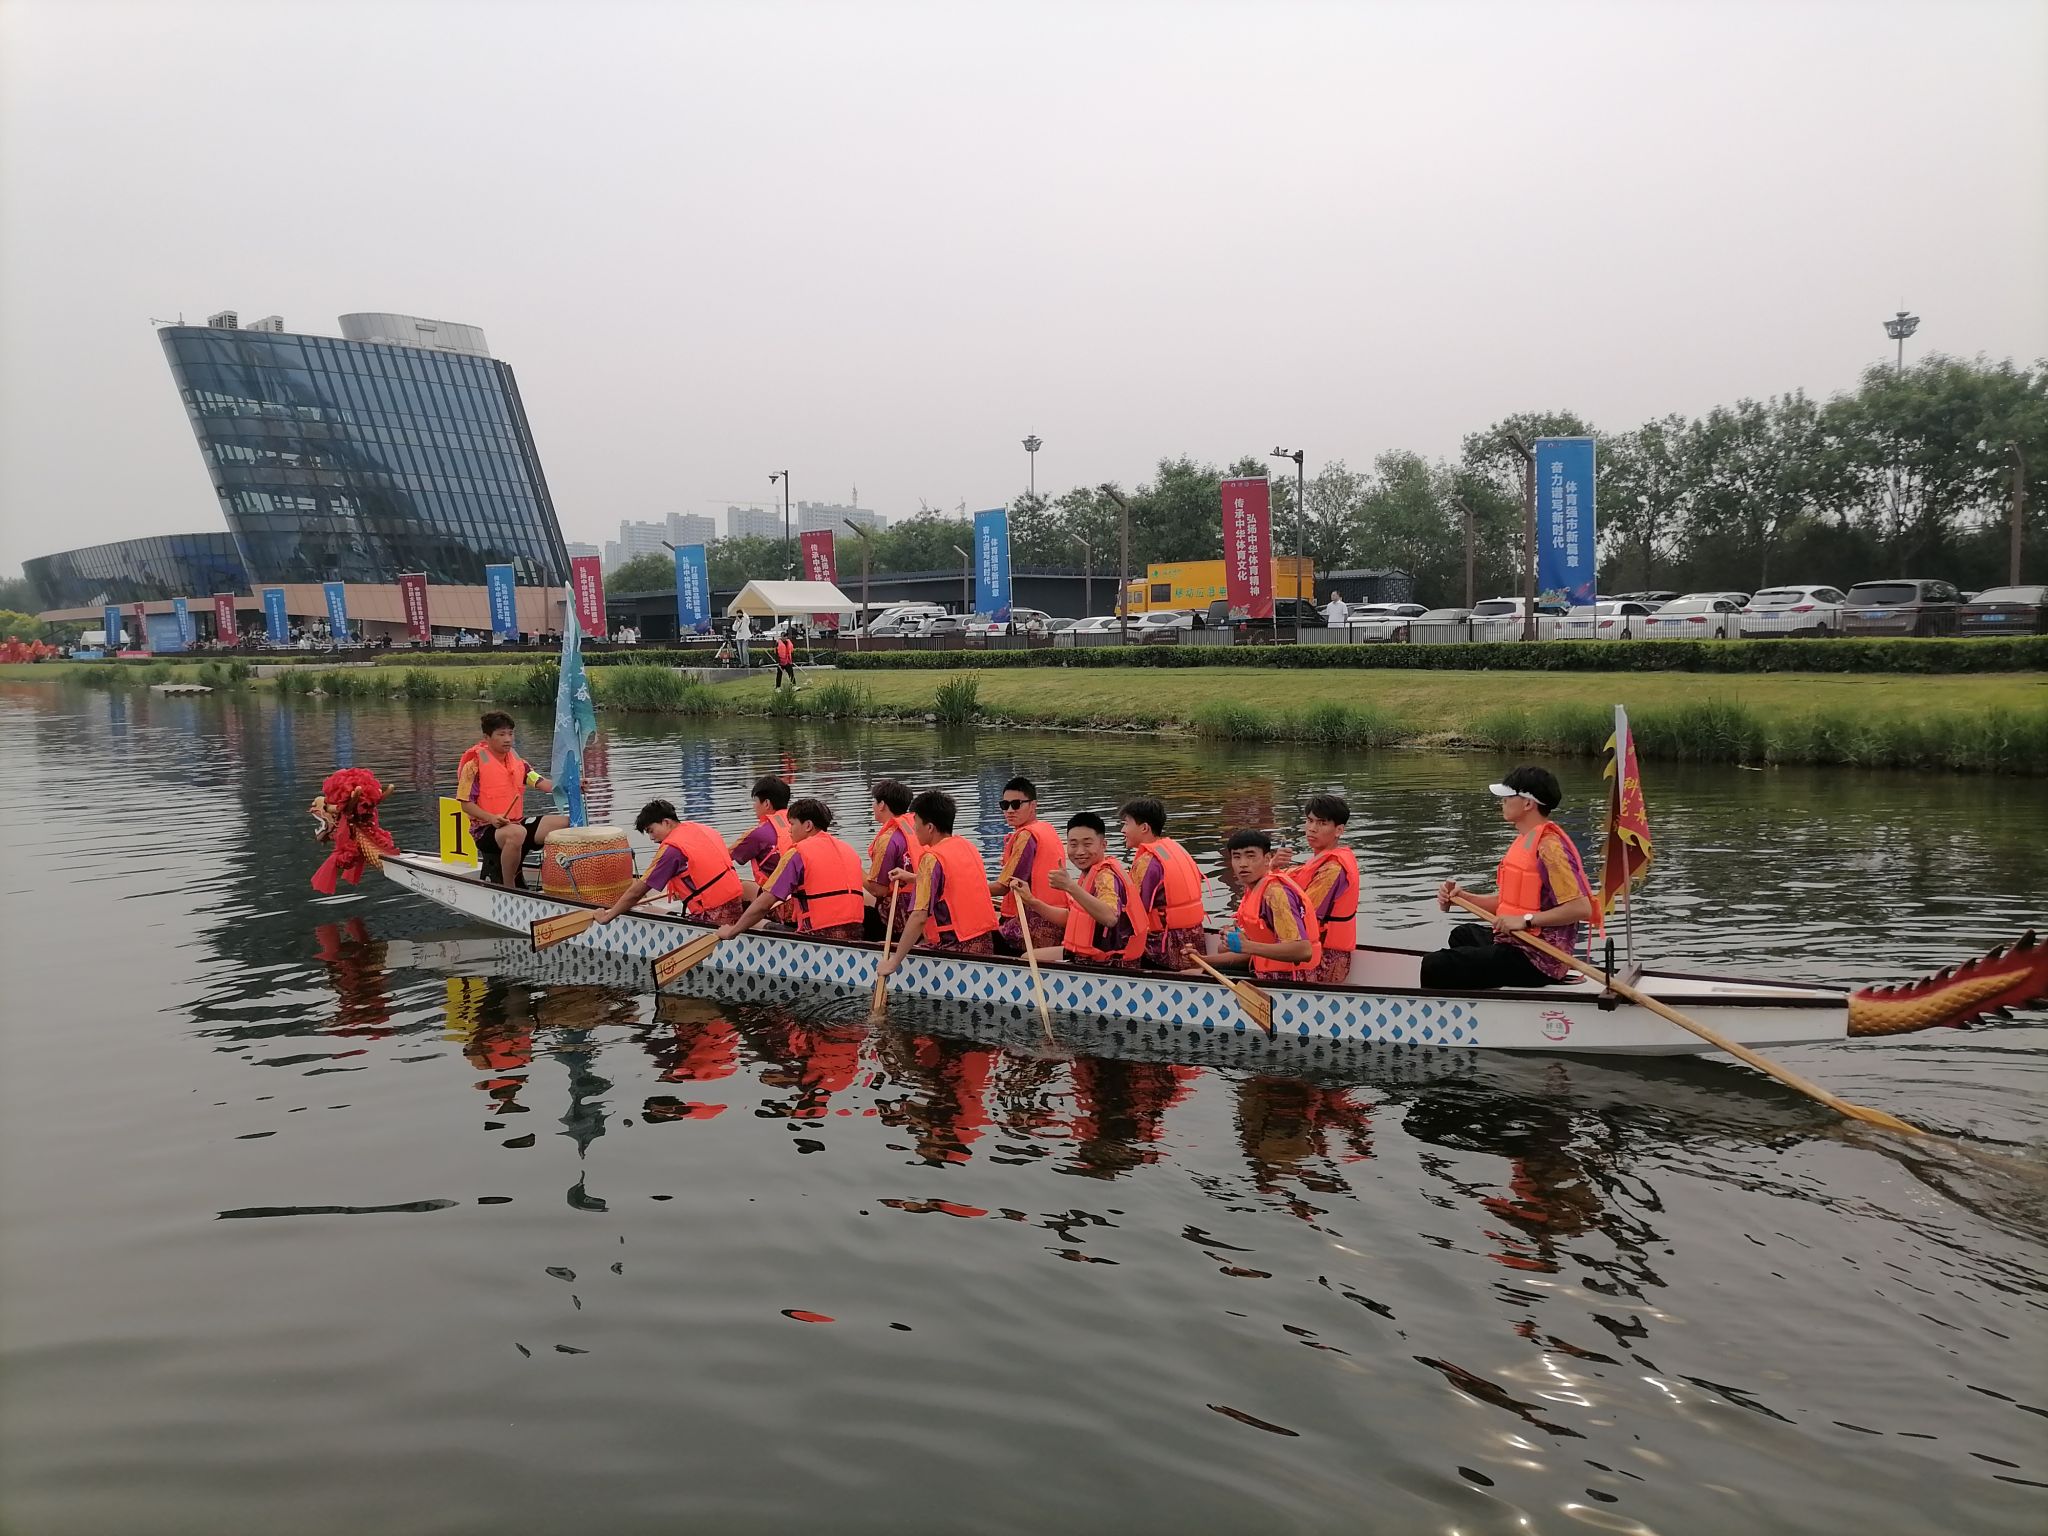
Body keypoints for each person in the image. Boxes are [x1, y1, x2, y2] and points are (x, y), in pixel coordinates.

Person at [1421, 766, 1595, 990]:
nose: (1502, 802)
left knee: (1434, 965)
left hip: (1538, 958)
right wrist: (1462, 898)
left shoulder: (1550, 850)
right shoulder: (1526, 839)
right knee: (1462, 935)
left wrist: (1525, 920)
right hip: (1517, 942)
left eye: (1507, 797)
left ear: (1528, 804)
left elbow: (1581, 909)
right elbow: (1508, 903)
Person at [877, 790, 999, 975]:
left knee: (883, 945)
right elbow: (951, 882)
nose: (914, 829)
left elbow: (919, 917)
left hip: (954, 947)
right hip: (984, 943)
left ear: (930, 827)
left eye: (916, 823)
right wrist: (913, 878)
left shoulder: (931, 858)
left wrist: (893, 962)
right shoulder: (967, 846)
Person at [718, 798, 867, 943]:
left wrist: (732, 931)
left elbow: (764, 904)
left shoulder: (799, 853)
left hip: (817, 936)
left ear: (808, 825)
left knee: (756, 922)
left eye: (792, 824)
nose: (789, 830)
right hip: (855, 934)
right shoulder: (849, 851)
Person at [456, 711, 568, 889]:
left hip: (516, 823)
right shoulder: (473, 766)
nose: (508, 739)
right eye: (501, 734)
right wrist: (492, 818)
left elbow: (542, 783)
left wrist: (571, 786)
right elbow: (466, 805)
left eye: (510, 733)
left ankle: (559, 876)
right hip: (486, 829)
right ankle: (509, 887)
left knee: (565, 823)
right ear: (487, 737)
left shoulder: (519, 762)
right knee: (517, 833)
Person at [1020, 812, 1147, 969]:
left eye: (1087, 844)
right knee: (1026, 957)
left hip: (1109, 962)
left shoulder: (1105, 876)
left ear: (1103, 845)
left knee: (1026, 961)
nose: (1080, 852)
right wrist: (1032, 901)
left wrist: (1069, 886)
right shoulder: (1089, 872)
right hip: (1087, 954)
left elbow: (1110, 917)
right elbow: (1070, 917)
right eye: (1073, 845)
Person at [593, 799, 746, 927]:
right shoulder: (701, 828)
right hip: (735, 901)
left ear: (666, 822)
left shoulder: (672, 849)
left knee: (649, 910)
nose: (651, 838)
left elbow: (636, 892)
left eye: (651, 830)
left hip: (713, 914)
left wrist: (608, 916)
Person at [1201, 830, 1322, 980]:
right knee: (1215, 955)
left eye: (1250, 856)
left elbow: (1303, 951)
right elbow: (1256, 950)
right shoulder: (1254, 888)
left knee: (1194, 974)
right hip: (1265, 972)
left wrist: (1247, 945)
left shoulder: (1275, 894)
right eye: (1236, 857)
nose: (1243, 864)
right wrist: (1203, 960)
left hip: (1292, 979)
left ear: (1267, 859)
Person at [1121, 798, 1207, 972]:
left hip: (1165, 946)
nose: (1123, 830)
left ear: (1144, 828)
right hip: (1195, 939)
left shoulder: (1147, 861)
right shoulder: (1176, 848)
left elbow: (1133, 911)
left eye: (1126, 824)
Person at [990, 777, 1070, 955]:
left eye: (1016, 804)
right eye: (1005, 805)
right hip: (1056, 915)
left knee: (977, 933)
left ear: (1033, 805)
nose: (1010, 810)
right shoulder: (1046, 828)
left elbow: (1003, 887)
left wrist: (967, 890)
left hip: (1034, 924)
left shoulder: (1027, 836)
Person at [1292, 793, 1361, 984]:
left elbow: (1304, 914)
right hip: (1312, 949)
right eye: (1309, 821)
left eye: (1322, 823)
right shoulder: (1318, 860)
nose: (1312, 829)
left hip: (1324, 959)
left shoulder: (1332, 869)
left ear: (1339, 830)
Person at [863, 778, 917, 940]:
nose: (873, 806)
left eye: (874, 802)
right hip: (918, 899)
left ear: (882, 805)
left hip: (900, 911)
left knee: (857, 899)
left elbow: (878, 890)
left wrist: (853, 869)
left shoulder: (888, 839)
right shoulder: (917, 829)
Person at [729, 774, 794, 900]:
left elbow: (725, 857)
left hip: (776, 899)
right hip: (800, 894)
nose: (754, 806)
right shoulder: (799, 824)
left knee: (740, 886)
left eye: (756, 801)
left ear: (766, 803)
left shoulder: (758, 833)